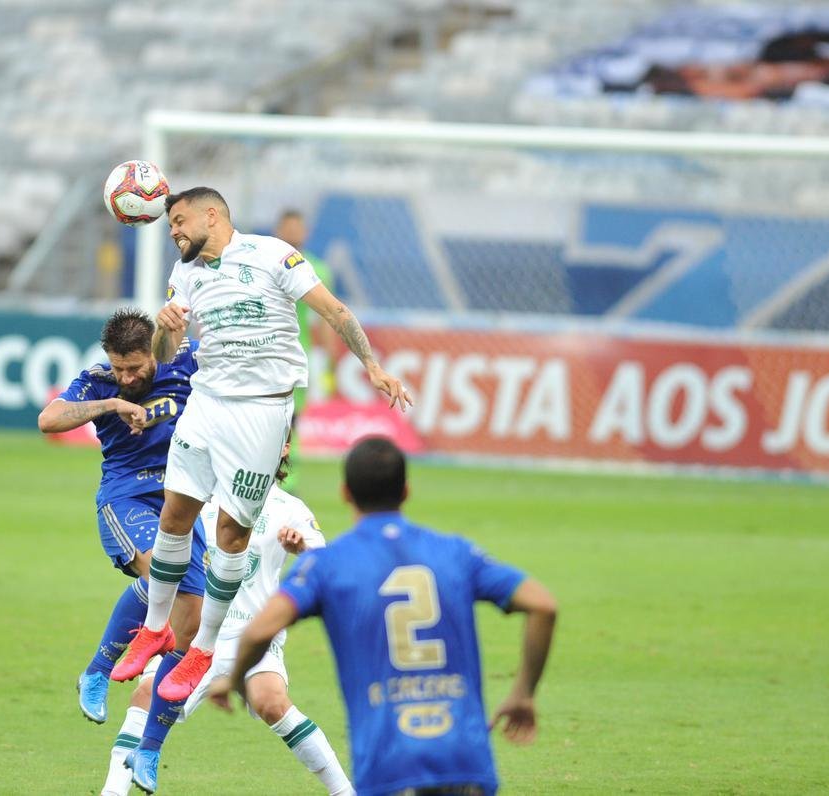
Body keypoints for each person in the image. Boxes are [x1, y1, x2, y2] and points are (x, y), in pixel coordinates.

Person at [111, 187, 414, 708]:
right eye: (169, 226)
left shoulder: (272, 254)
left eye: (180, 221)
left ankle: (203, 648)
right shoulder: (184, 274)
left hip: (260, 411)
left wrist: (371, 365)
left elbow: (334, 310)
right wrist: (166, 332)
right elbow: (164, 356)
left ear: (213, 215)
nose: (174, 231)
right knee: (174, 514)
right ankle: (156, 628)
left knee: (231, 532)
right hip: (205, 402)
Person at [208, 437, 558, 796]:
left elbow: (258, 631)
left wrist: (232, 679)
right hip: (464, 756)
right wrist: (524, 692)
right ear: (406, 491)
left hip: (389, 762)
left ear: (346, 493)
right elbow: (544, 606)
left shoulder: (329, 565)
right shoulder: (456, 552)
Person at [108, 446, 354, 795]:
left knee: (272, 702)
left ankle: (346, 792)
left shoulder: (290, 508)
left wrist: (301, 550)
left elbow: (327, 563)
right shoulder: (200, 497)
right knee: (145, 697)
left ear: (283, 448)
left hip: (252, 637)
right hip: (192, 634)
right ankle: (111, 792)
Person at [37, 308, 207, 725]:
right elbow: (48, 419)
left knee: (192, 616)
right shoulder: (99, 381)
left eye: (134, 368)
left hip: (181, 496)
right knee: (162, 574)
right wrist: (112, 403)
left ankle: (150, 731)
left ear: (152, 351)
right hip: (126, 496)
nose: (127, 377)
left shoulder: (188, 359)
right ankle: (97, 671)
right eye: (119, 368)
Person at [274, 208, 343, 493]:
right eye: (288, 227)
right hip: (265, 354)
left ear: (306, 233)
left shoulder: (317, 269)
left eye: (298, 228)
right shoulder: (264, 262)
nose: (293, 234)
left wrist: (329, 364)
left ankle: (288, 482)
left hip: (296, 357)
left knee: (292, 419)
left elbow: (327, 318)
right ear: (279, 230)